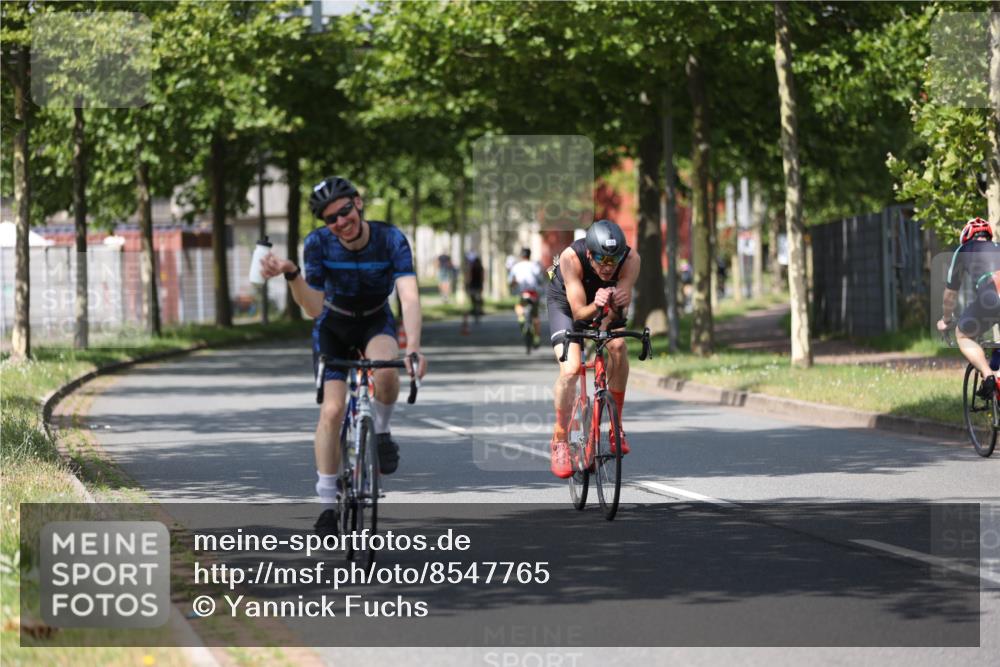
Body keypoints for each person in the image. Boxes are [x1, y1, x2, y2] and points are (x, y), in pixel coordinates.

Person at [259, 176, 427, 536]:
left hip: (375, 320)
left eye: (345, 211)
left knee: (386, 372)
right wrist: (292, 274)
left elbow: (409, 295)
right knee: (332, 410)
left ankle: (381, 432)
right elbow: (313, 307)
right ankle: (326, 505)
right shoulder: (317, 243)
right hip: (333, 325)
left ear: (358, 203)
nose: (340, 222)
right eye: (330, 218)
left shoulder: (390, 238)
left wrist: (413, 347)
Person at [546, 219, 640, 478]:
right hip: (567, 304)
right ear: (589, 254)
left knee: (618, 346)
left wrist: (614, 308)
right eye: (601, 259)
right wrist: (596, 305)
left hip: (603, 302)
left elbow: (618, 313)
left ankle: (616, 427)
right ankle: (560, 438)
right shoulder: (571, 258)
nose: (608, 267)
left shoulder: (631, 260)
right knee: (571, 369)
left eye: (614, 260)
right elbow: (578, 313)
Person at [937, 216, 1000, 397]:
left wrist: (946, 320)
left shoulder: (964, 250)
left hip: (991, 295)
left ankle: (988, 376)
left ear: (966, 236)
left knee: (963, 334)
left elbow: (950, 294)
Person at [508, 246, 544, 346]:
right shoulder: (534, 266)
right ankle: (537, 338)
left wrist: (514, 286)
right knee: (535, 315)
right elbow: (540, 279)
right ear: (529, 255)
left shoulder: (516, 267)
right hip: (533, 293)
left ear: (521, 255)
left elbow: (511, 281)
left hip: (522, 293)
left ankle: (521, 318)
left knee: (518, 306)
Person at [461, 251, 485, 335]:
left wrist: (466, 284)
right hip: (477, 286)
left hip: (473, 286)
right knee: (477, 299)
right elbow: (482, 277)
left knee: (474, 300)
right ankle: (477, 310)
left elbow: (469, 277)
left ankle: (476, 310)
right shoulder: (480, 268)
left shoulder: (473, 268)